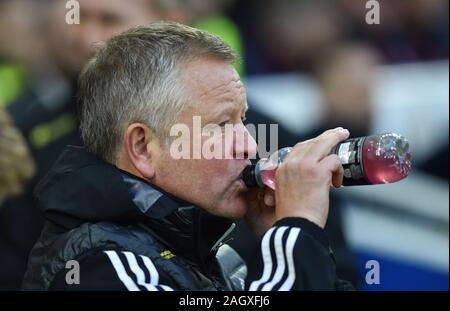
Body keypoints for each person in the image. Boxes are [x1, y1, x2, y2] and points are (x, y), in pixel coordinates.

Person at [22, 22, 353, 291]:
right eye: (222, 125)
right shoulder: (99, 267)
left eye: (242, 120)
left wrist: (278, 237)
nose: (251, 146)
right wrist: (298, 232)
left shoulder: (201, 252)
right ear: (142, 147)